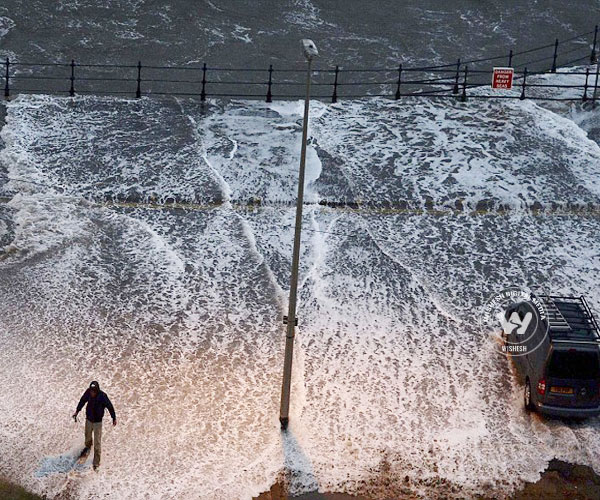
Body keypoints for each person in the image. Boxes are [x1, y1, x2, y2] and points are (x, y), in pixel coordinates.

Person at [72, 381, 117, 470]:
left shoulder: (103, 396)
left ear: (97, 391)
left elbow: (110, 406)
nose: (91, 393)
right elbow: (82, 401)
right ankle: (88, 447)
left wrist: (114, 418)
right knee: (87, 437)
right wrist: (77, 411)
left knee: (97, 443)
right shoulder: (88, 392)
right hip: (89, 419)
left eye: (93, 391)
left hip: (97, 422)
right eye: (91, 391)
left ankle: (96, 463)